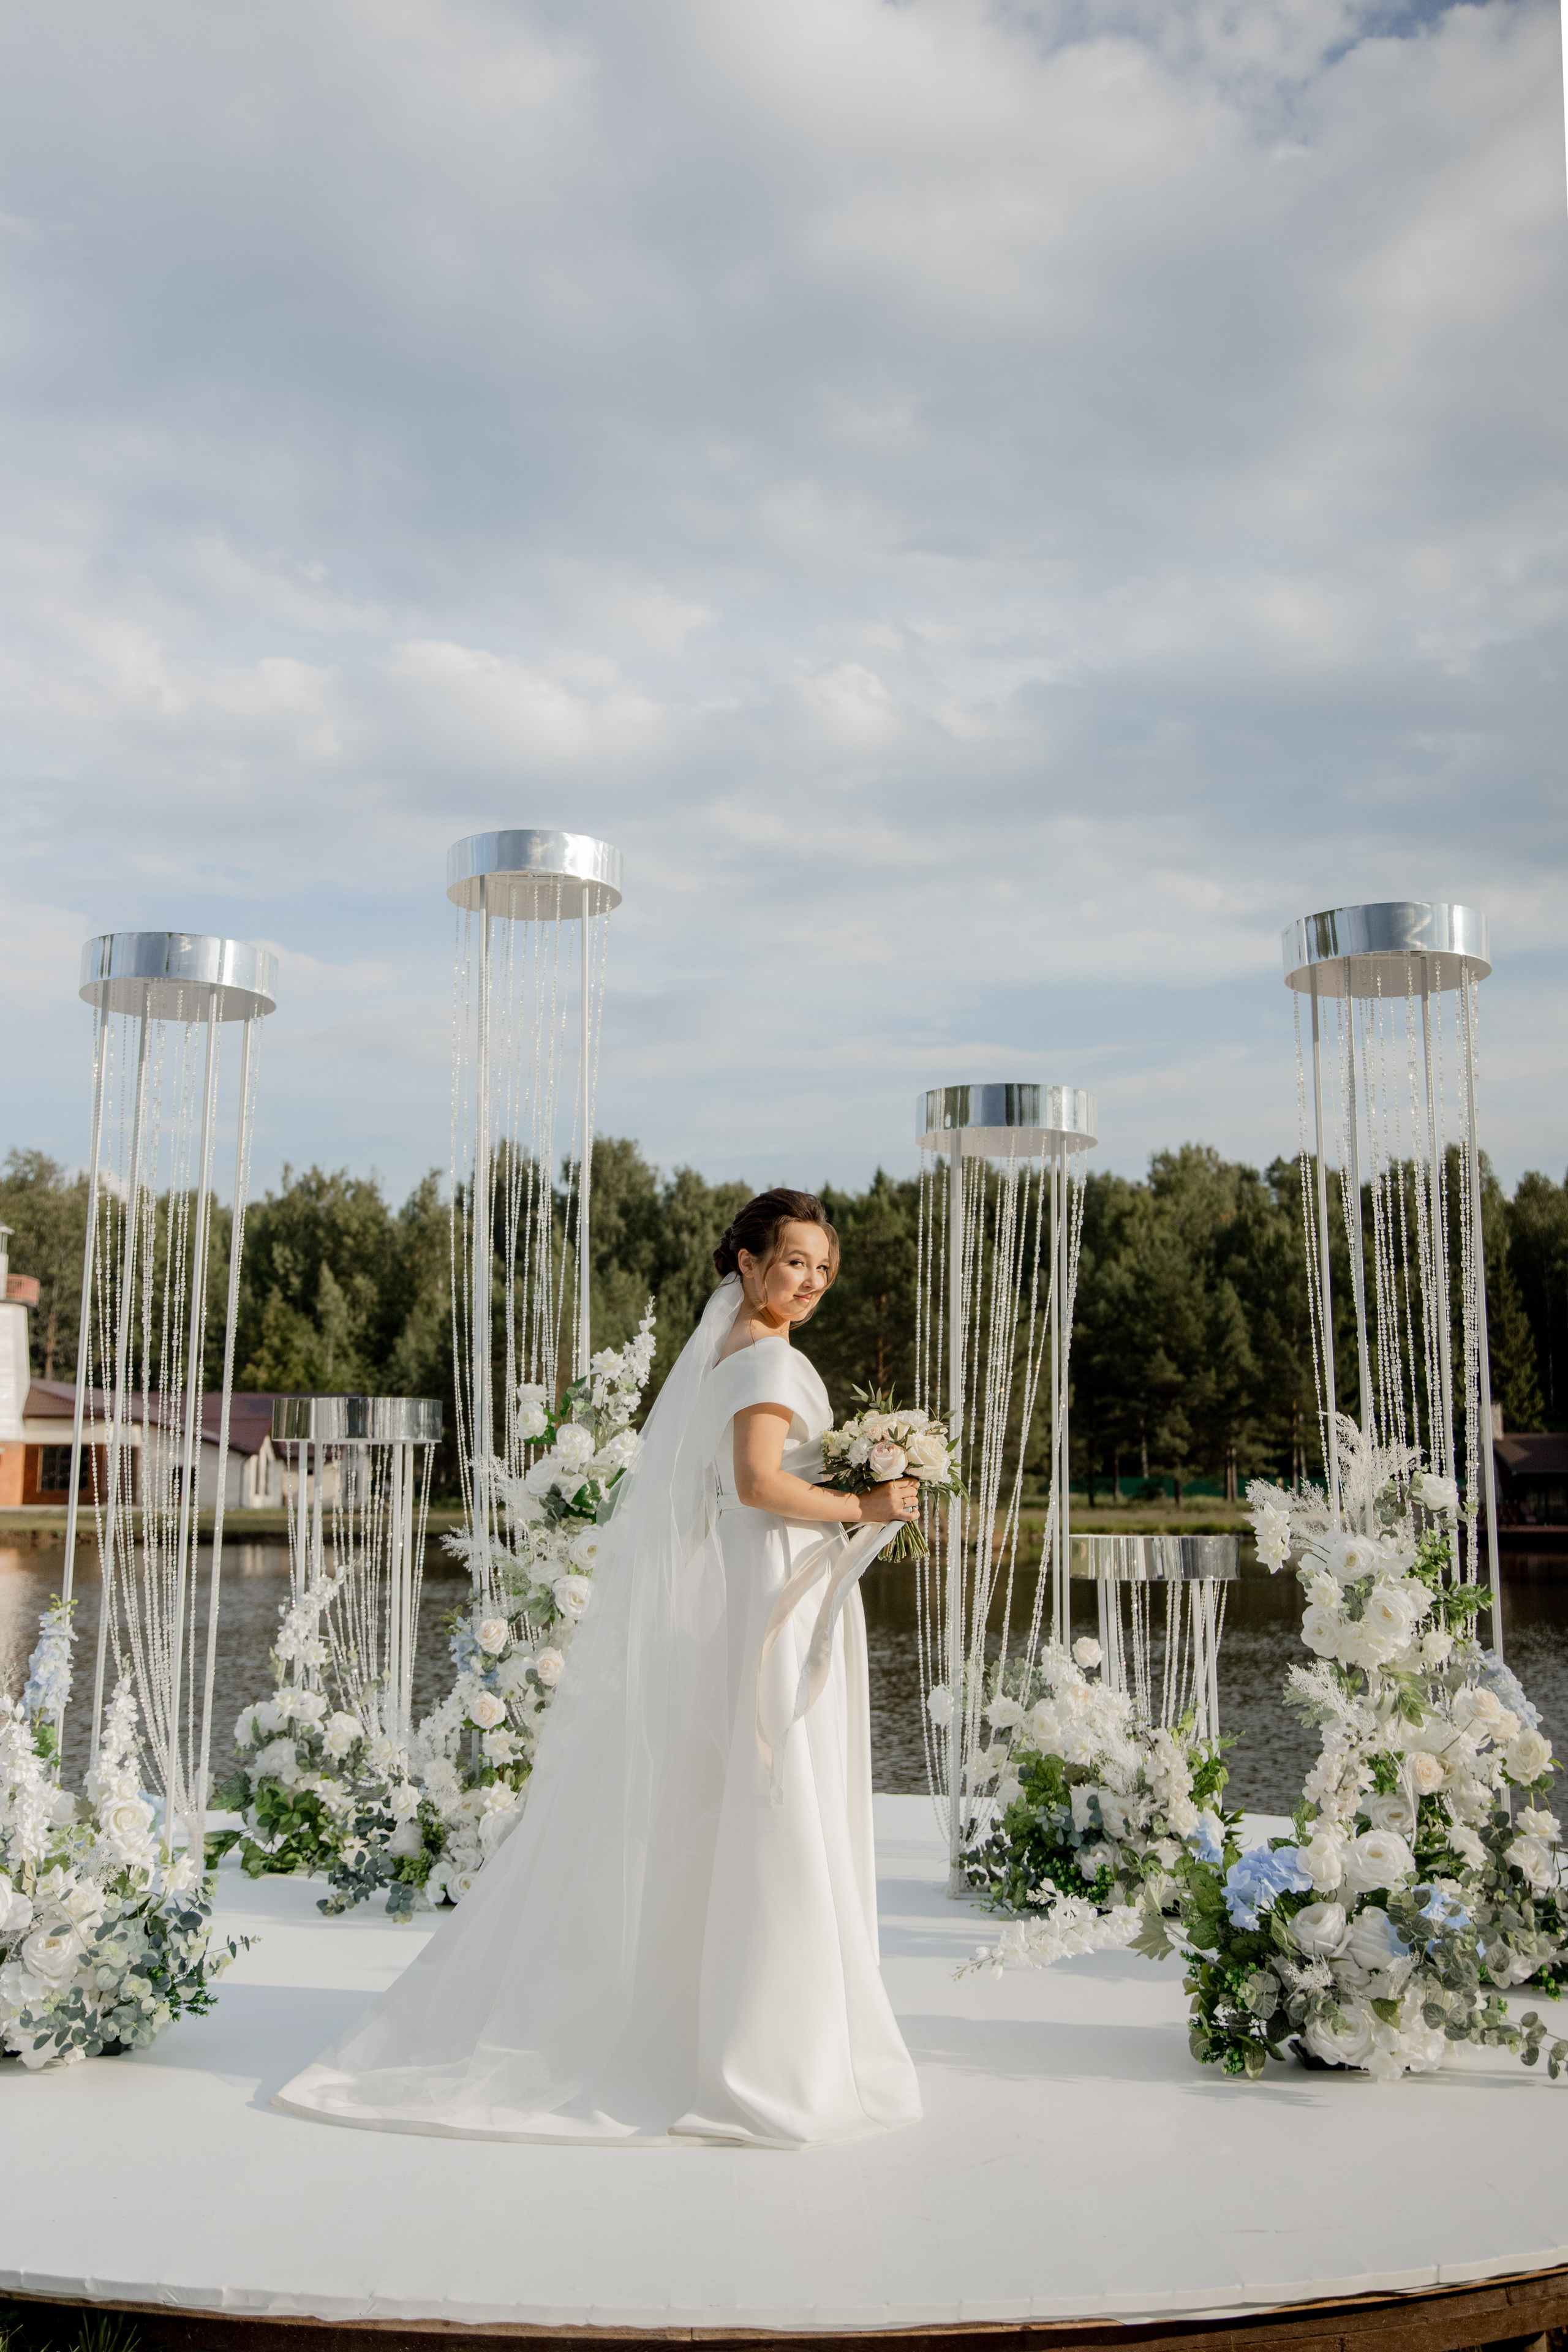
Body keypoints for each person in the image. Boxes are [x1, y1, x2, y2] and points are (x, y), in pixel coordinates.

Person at [273, 1188, 924, 2148]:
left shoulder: (732, 1354)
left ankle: (725, 2021)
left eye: (824, 1269)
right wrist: (862, 1509)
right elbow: (756, 1484)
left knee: (744, 1786)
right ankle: (767, 2051)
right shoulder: (770, 1357)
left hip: (758, 1582)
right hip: (767, 1586)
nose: (812, 1283)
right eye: (795, 1262)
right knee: (770, 1782)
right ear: (746, 1263)